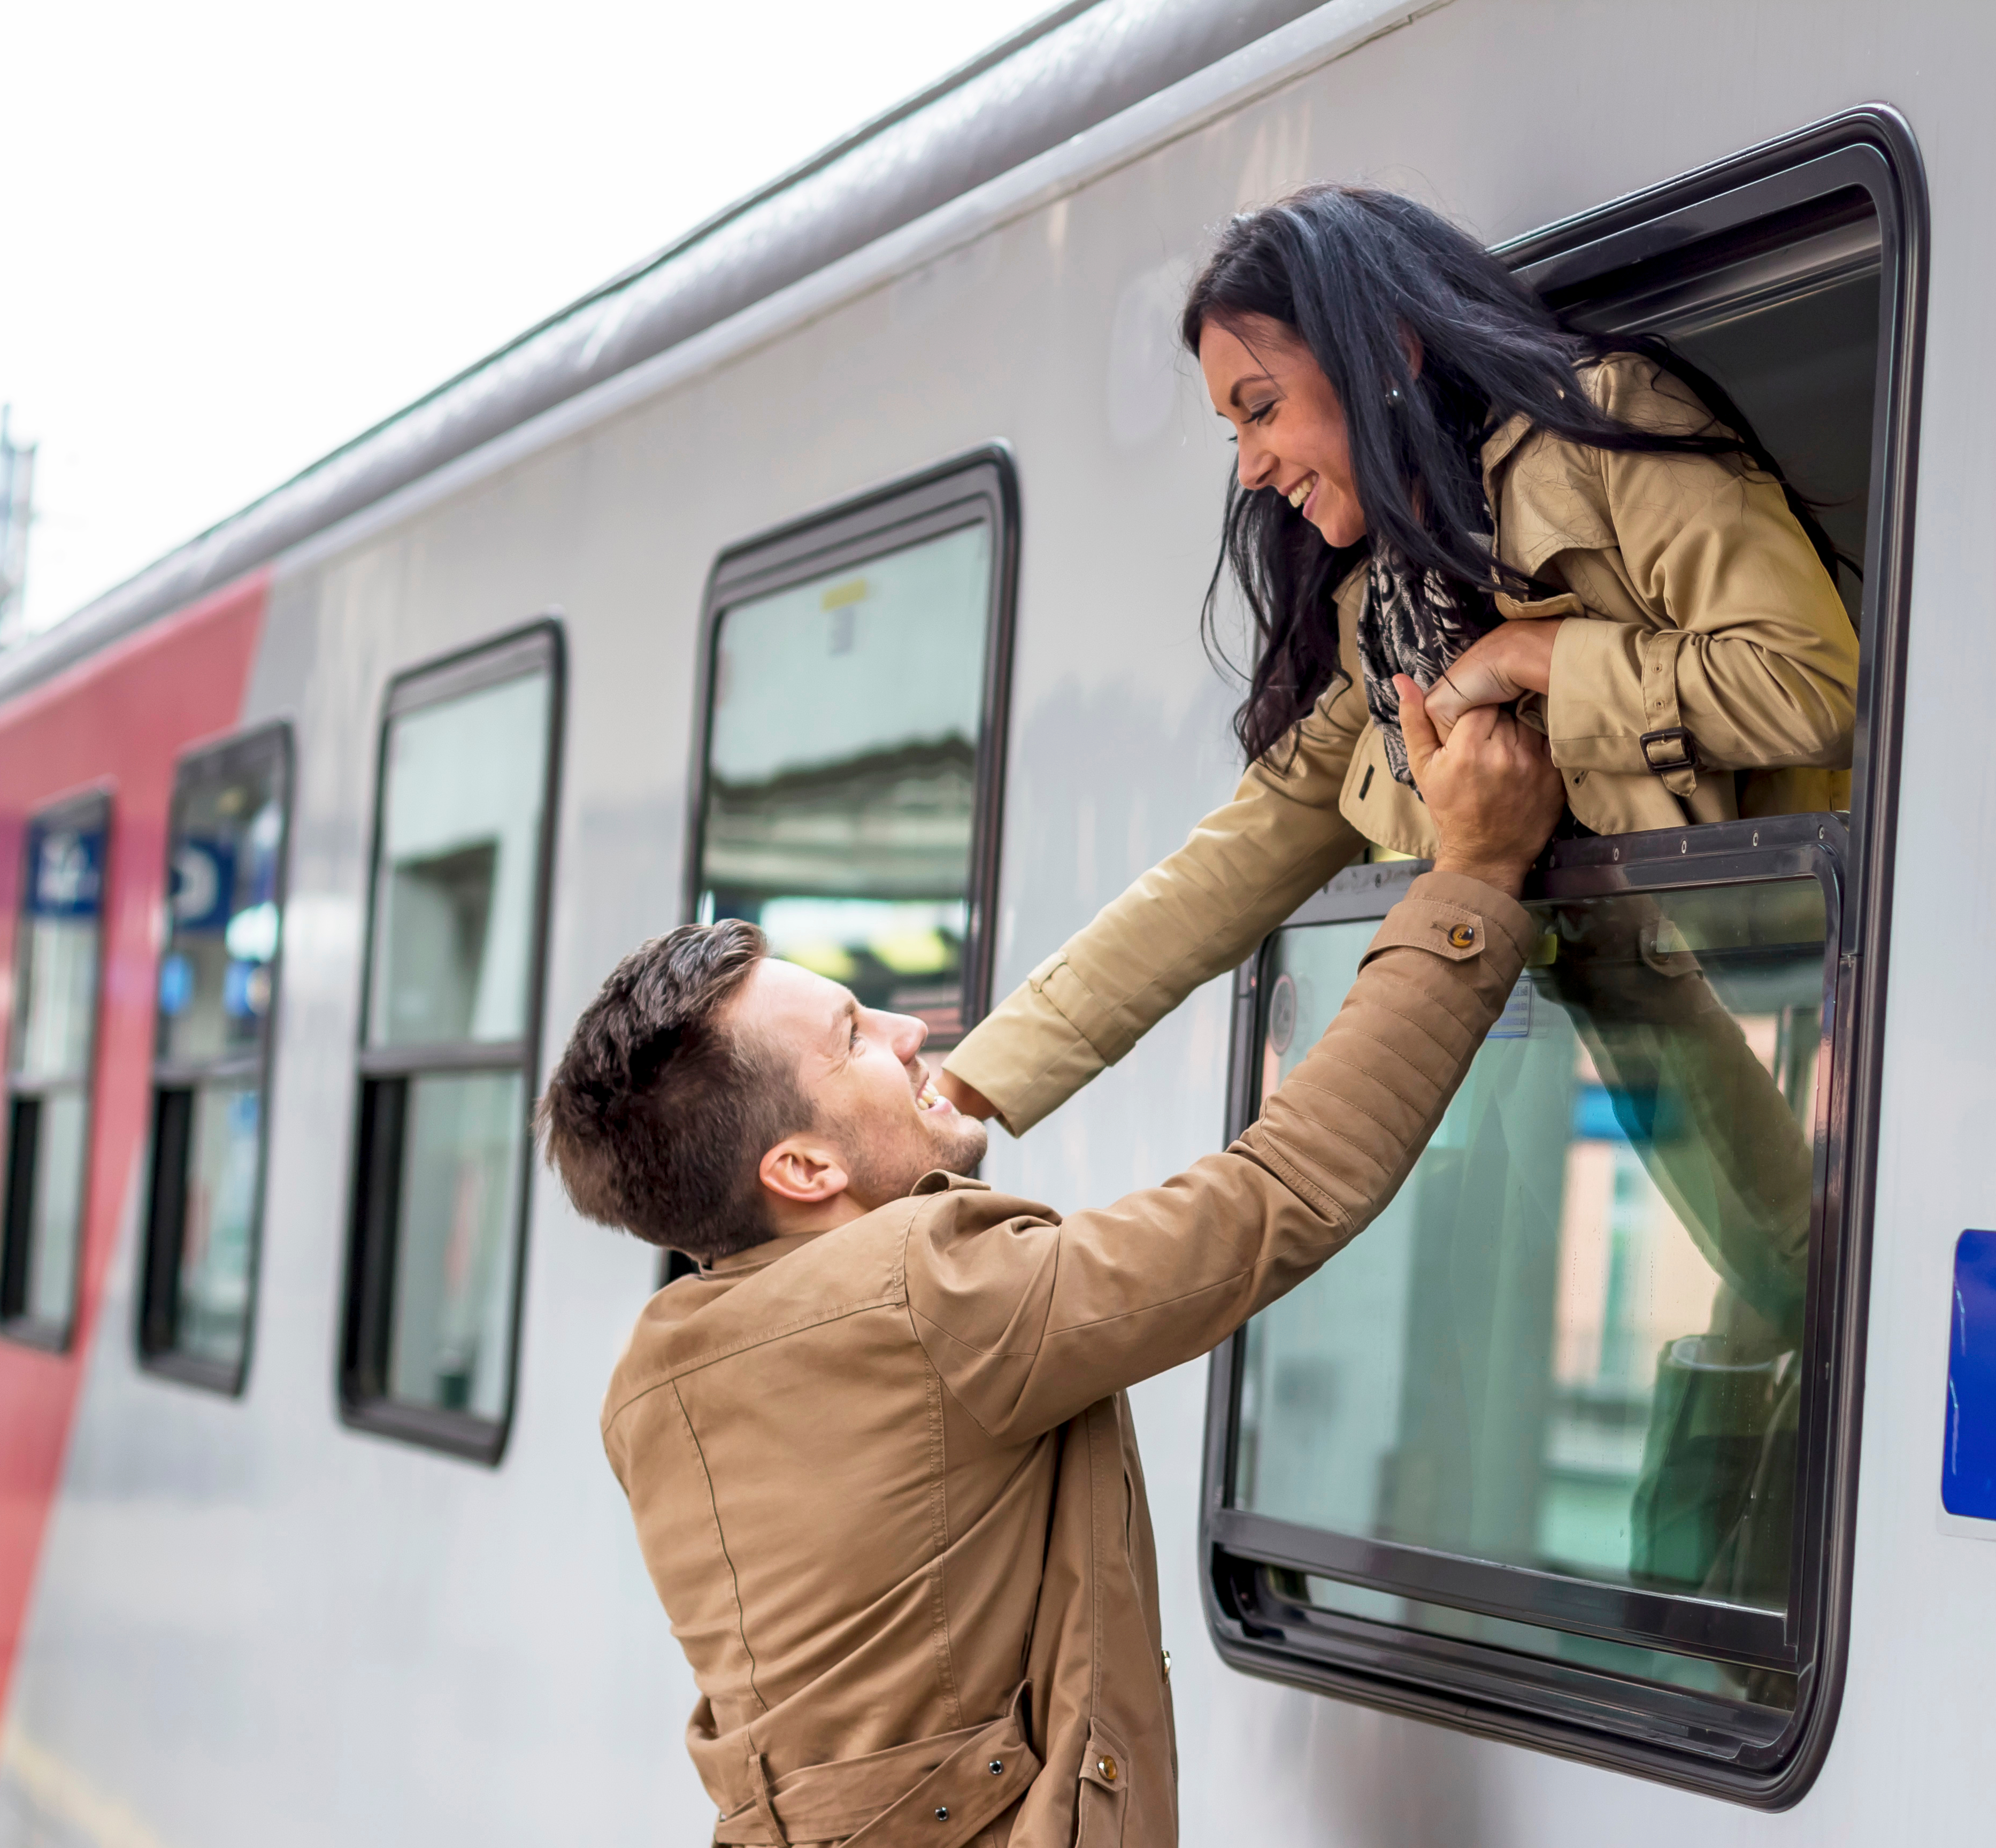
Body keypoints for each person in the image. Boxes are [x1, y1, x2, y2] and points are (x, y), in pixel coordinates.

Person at [538, 691, 1560, 1848]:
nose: (911, 1031)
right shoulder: (935, 1294)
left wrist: (925, 1117)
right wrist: (1472, 879)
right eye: (855, 1039)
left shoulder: (655, 1376)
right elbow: (1280, 1194)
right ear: (804, 1167)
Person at [932, 183, 1858, 1138]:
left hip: (1795, 1010)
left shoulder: (1606, 429)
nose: (1248, 466)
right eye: (1234, 429)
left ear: (1387, 356)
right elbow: (1230, 868)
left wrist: (1540, 655)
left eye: (1261, 410)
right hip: (1604, 1051)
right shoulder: (1385, 617)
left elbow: (1816, 685)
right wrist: (970, 1087)